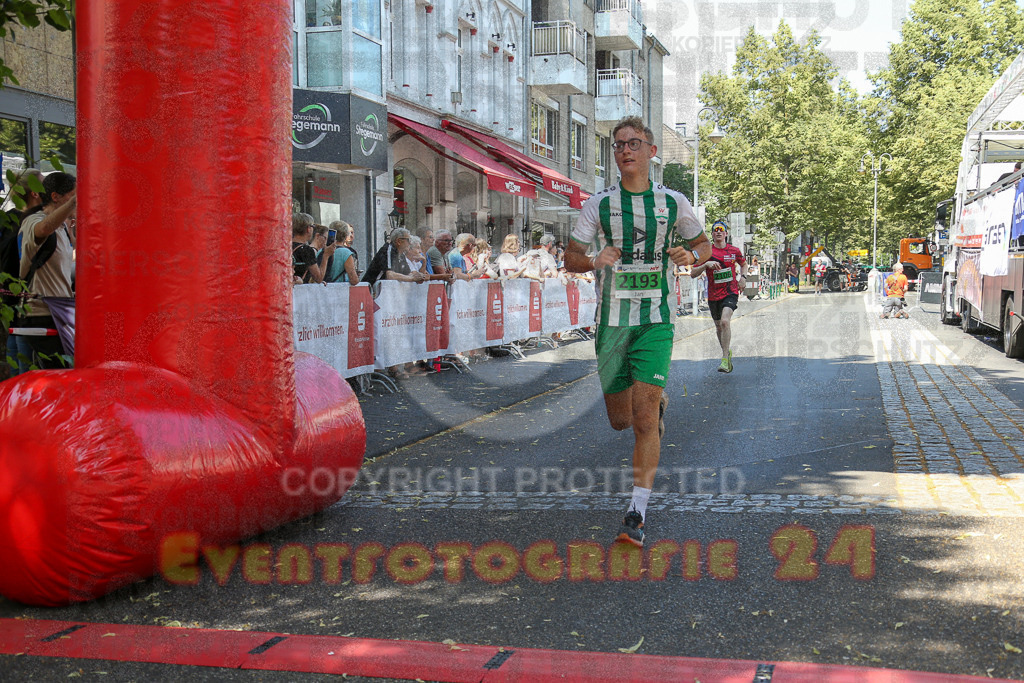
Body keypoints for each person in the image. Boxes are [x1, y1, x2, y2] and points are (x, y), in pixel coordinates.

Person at [563, 115, 710, 548]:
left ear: (652, 151)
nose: (625, 150)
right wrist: (594, 260)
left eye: (634, 143)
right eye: (619, 144)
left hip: (655, 321)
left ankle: (636, 514)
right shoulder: (599, 205)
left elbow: (703, 246)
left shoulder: (673, 202)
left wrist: (689, 253)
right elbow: (571, 257)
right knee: (620, 420)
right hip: (611, 325)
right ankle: (655, 404)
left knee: (644, 419)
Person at [18, 171, 77, 369]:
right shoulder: (34, 221)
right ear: (55, 197)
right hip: (41, 314)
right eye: (73, 196)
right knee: (58, 376)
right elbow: (42, 229)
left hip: (59, 314)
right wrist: (73, 204)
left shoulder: (62, 228)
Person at [689, 223, 745, 373]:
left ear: (726, 234)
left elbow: (743, 264)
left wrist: (743, 278)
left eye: (722, 230)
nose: (719, 232)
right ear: (712, 235)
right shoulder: (707, 252)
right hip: (713, 295)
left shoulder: (734, 251)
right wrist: (706, 264)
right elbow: (693, 273)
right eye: (716, 230)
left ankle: (725, 358)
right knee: (719, 326)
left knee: (725, 322)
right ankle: (726, 352)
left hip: (730, 291)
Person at [360, 228, 427, 286]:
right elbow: (390, 275)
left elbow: (408, 273)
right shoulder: (387, 249)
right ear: (399, 241)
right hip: (372, 290)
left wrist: (419, 276)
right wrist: (412, 278)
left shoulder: (401, 254)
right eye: (408, 240)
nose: (410, 243)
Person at [292, 213, 334, 284]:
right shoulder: (307, 250)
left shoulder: (285, 247)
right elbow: (318, 278)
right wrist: (326, 255)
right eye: (313, 227)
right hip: (299, 292)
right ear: (308, 229)